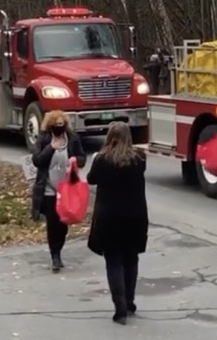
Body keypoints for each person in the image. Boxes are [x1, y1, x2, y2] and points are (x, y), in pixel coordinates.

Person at [86, 122, 149, 324]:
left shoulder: (102, 159)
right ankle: (130, 302)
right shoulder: (140, 159)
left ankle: (119, 308)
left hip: (109, 217)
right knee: (131, 259)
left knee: (113, 261)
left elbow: (91, 179)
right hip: (135, 216)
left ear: (109, 137)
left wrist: (96, 157)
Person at [29, 110, 86, 272]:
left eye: (62, 124)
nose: (59, 128)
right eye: (56, 125)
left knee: (63, 224)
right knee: (52, 223)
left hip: (67, 188)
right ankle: (55, 255)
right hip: (48, 189)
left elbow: (82, 158)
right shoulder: (44, 138)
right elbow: (37, 160)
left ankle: (59, 248)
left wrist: (75, 160)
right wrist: (51, 148)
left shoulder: (72, 139)